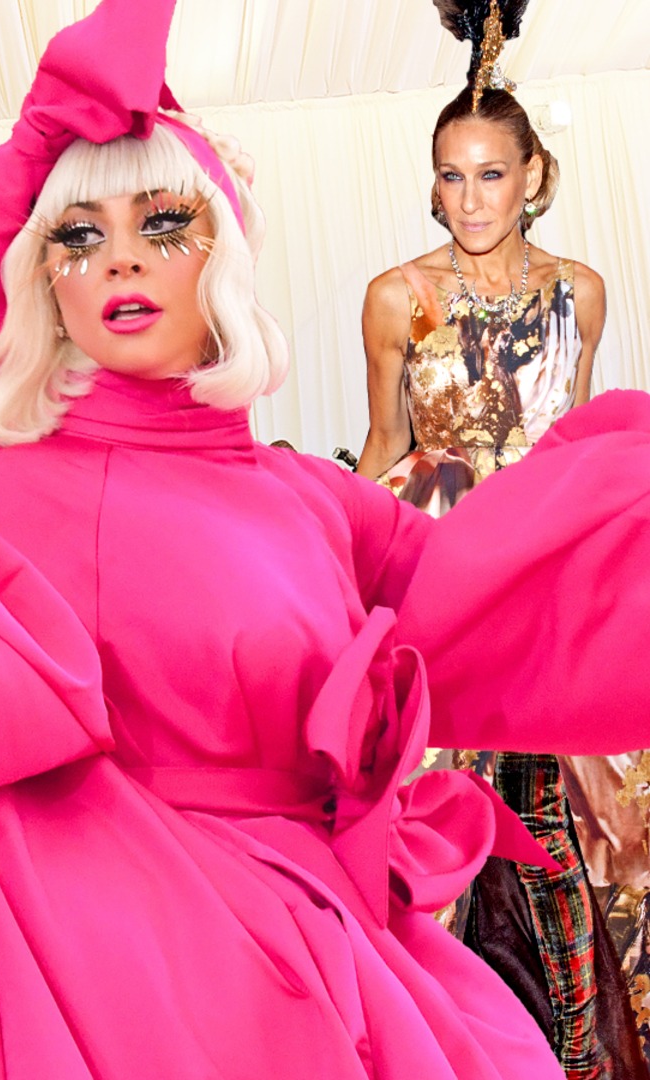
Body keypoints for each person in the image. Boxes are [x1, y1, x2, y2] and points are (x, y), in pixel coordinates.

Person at [0, 1, 650, 1076]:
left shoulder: (311, 501)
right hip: (78, 975)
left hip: (296, 954)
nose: (120, 261)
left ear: (224, 260)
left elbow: (500, 604)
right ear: (43, 277)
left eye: (162, 225)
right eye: (80, 235)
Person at [355, 3, 644, 1076]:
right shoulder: (398, 298)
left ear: (533, 176)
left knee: (565, 831)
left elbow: (570, 443)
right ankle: (425, 1048)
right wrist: (349, 585)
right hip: (445, 573)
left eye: (491, 174)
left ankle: (572, 1055)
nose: (471, 197)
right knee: (428, 828)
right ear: (432, 185)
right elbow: (387, 446)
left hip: (546, 573)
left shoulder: (581, 293)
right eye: (452, 176)